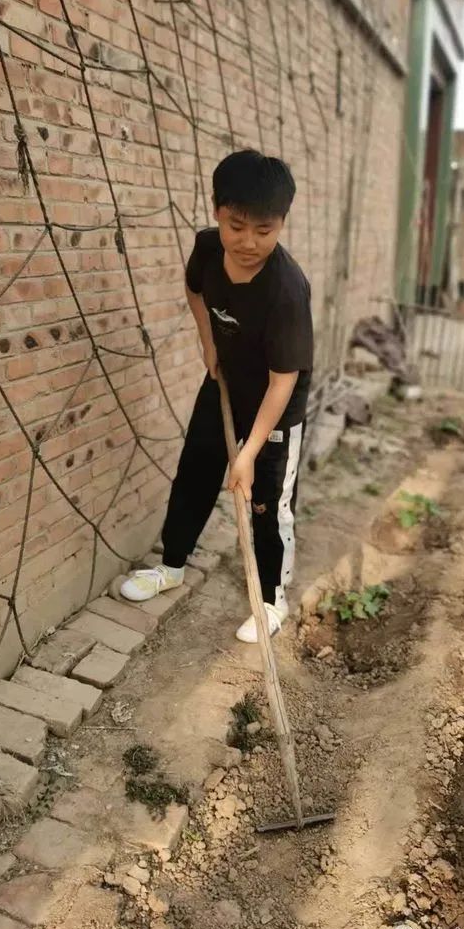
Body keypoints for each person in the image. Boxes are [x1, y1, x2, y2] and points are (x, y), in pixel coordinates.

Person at [121, 150, 313, 643]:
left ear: (281, 224)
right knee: (196, 472)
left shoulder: (286, 291)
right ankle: (172, 566)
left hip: (275, 408)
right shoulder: (208, 249)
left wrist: (248, 453)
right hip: (225, 382)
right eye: (237, 226)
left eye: (265, 231)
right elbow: (194, 292)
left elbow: (283, 381)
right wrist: (209, 344)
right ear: (216, 211)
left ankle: (272, 600)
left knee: (269, 504)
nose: (249, 242)